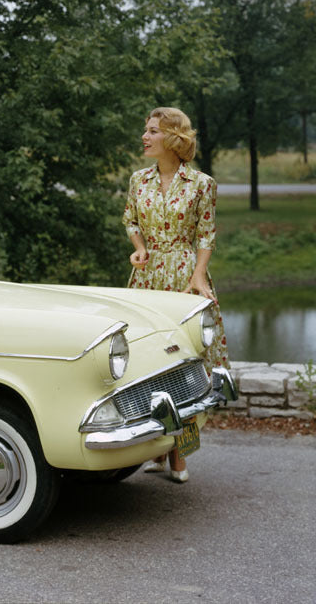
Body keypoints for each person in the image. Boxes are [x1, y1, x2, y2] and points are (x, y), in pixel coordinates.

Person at [123, 106, 230, 483]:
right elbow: (131, 219)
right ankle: (157, 446)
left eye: (152, 131)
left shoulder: (201, 184)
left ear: (173, 138)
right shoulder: (138, 180)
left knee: (185, 363)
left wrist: (199, 276)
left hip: (185, 274)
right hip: (148, 275)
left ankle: (179, 453)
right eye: (146, 130)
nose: (145, 137)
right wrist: (138, 247)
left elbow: (206, 235)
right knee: (146, 362)